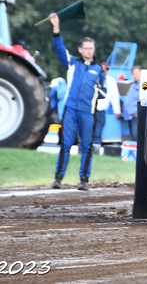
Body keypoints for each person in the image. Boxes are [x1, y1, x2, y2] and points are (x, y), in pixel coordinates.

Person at [49, 13, 106, 191]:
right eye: (86, 48)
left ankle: (84, 180)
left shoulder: (99, 70)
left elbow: (103, 92)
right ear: (80, 50)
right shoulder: (72, 63)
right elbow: (59, 48)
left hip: (87, 112)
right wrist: (56, 26)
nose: (89, 51)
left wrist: (95, 92)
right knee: (65, 145)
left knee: (86, 146)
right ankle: (58, 179)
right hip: (71, 110)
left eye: (92, 48)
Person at [93, 62, 121, 146]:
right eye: (103, 69)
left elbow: (115, 96)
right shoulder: (94, 77)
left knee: (98, 129)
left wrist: (117, 111)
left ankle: (96, 147)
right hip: (91, 109)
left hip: (101, 110)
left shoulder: (111, 80)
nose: (105, 71)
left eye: (107, 69)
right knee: (88, 129)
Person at [123, 65, 141, 141]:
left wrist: (138, 112)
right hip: (129, 115)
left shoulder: (144, 85)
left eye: (137, 74)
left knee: (136, 136)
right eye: (134, 74)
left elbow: (144, 99)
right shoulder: (133, 85)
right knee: (132, 136)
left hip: (136, 115)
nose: (135, 76)